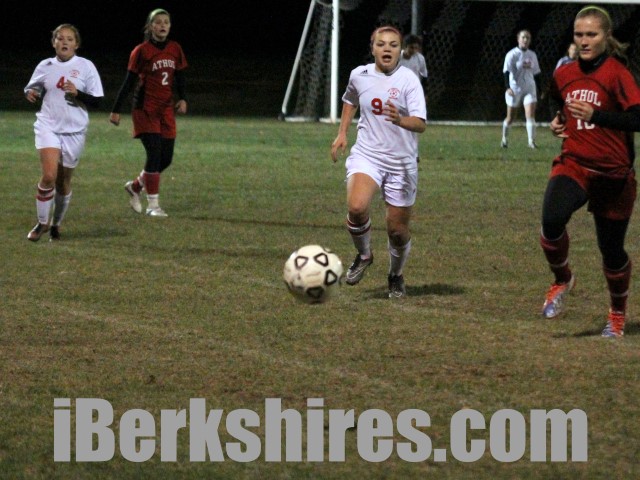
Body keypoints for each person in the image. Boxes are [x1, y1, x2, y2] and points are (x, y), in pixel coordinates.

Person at [541, 5, 640, 338]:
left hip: (613, 174)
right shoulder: (565, 72)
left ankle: (617, 314)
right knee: (552, 219)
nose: (584, 41)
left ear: (606, 37)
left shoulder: (617, 74)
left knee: (611, 251)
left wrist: (597, 116)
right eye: (578, 34)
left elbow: (637, 118)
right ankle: (562, 279)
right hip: (576, 165)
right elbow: (556, 99)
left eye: (591, 34)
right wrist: (557, 119)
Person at [331, 26, 427, 298]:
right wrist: (342, 132)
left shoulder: (408, 80)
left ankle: (395, 275)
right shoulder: (359, 75)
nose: (387, 49)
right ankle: (364, 255)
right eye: (381, 44)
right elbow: (350, 100)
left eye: (393, 45)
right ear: (372, 48)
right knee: (356, 207)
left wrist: (400, 120)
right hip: (368, 155)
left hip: (401, 163)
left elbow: (420, 124)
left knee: (397, 231)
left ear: (400, 51)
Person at [24, 24, 104, 242]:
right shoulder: (45, 65)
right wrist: (30, 93)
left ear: (76, 44)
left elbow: (97, 101)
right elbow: (32, 88)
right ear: (54, 43)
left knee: (63, 183)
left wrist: (78, 94)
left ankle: (56, 224)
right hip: (48, 125)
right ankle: (42, 222)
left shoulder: (86, 66)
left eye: (69, 39)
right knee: (49, 176)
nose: (64, 42)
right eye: (60, 38)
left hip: (74, 130)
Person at [109, 8, 188, 217]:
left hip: (166, 109)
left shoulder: (175, 48)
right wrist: (116, 110)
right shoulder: (141, 51)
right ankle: (153, 205)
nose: (162, 25)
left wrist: (183, 98)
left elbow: (180, 75)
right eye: (158, 22)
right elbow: (129, 82)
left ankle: (135, 187)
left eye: (166, 22)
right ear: (150, 26)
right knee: (154, 154)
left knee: (166, 158)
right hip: (145, 109)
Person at [501, 29, 541, 149]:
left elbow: (536, 73)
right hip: (515, 89)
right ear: (518, 39)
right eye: (523, 37)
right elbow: (506, 72)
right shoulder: (512, 54)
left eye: (527, 38)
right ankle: (504, 139)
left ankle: (531, 142)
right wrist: (508, 87)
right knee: (510, 118)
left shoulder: (532, 55)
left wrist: (540, 89)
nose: (525, 40)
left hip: (529, 88)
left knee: (530, 115)